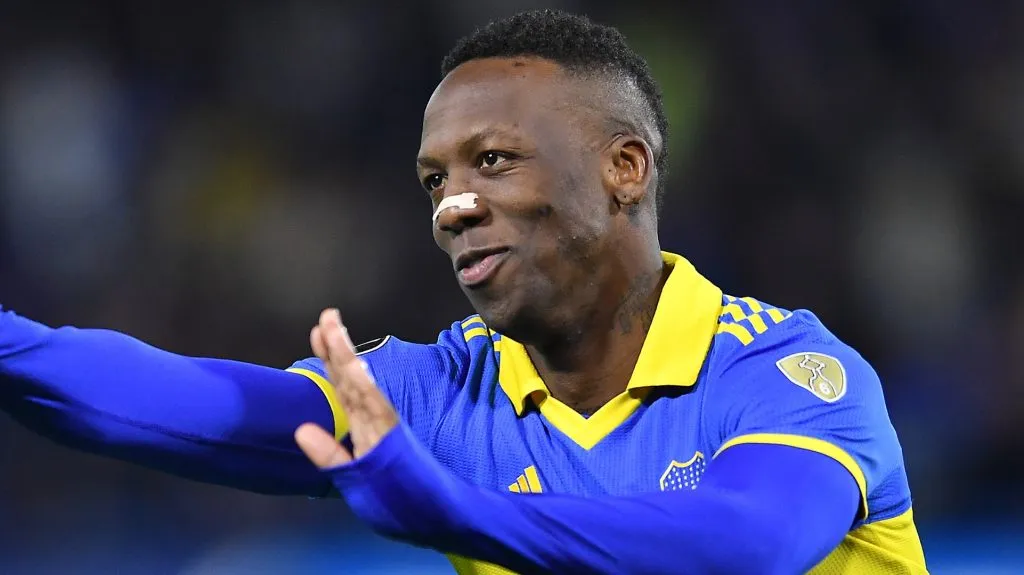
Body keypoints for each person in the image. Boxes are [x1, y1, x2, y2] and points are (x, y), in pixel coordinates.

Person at [0, 9, 928, 575]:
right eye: (434, 180)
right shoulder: (440, 396)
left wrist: (446, 506)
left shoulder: (785, 372)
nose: (452, 206)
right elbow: (180, 403)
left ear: (625, 168)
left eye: (493, 160)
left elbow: (741, 546)